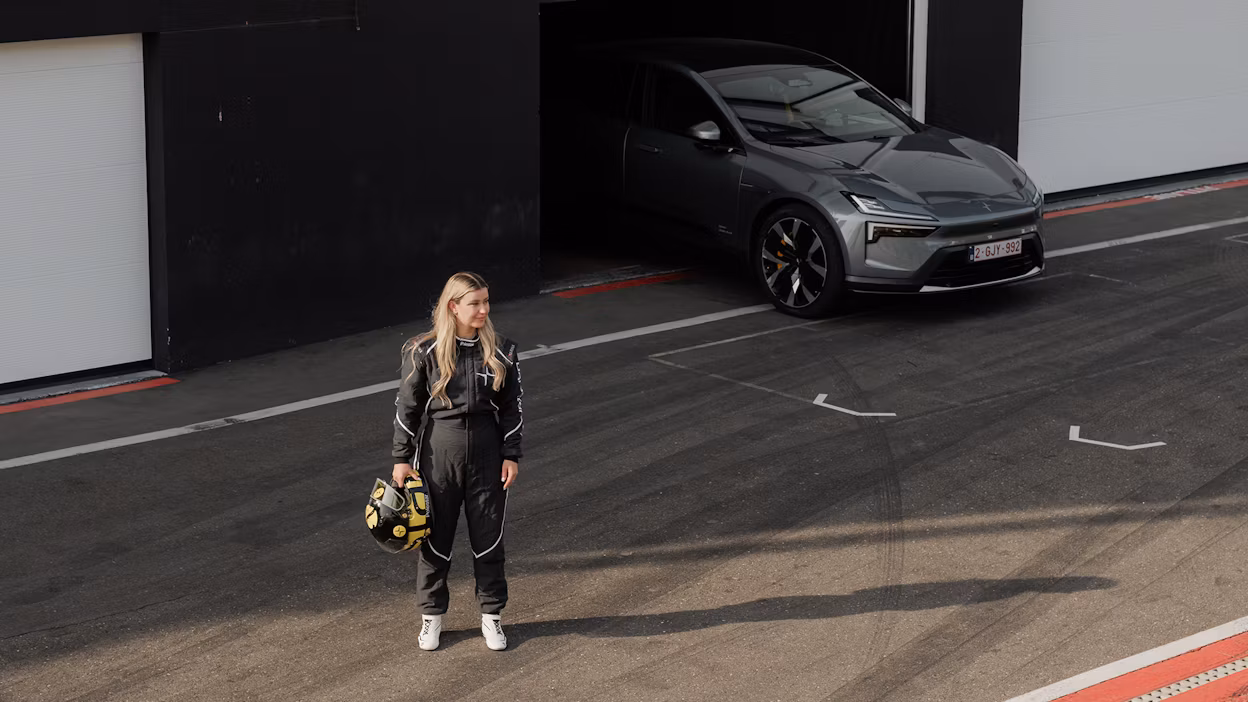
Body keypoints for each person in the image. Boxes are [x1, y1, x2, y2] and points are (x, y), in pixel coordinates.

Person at [391, 271, 523, 652]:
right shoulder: (423, 350)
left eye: (486, 301)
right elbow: (407, 409)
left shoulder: (503, 350)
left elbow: (513, 408)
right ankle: (431, 618)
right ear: (454, 307)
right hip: (437, 454)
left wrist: (511, 453)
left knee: (489, 540)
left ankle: (492, 618)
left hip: (488, 454)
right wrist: (401, 459)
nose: (484, 309)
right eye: (475, 303)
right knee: (434, 540)